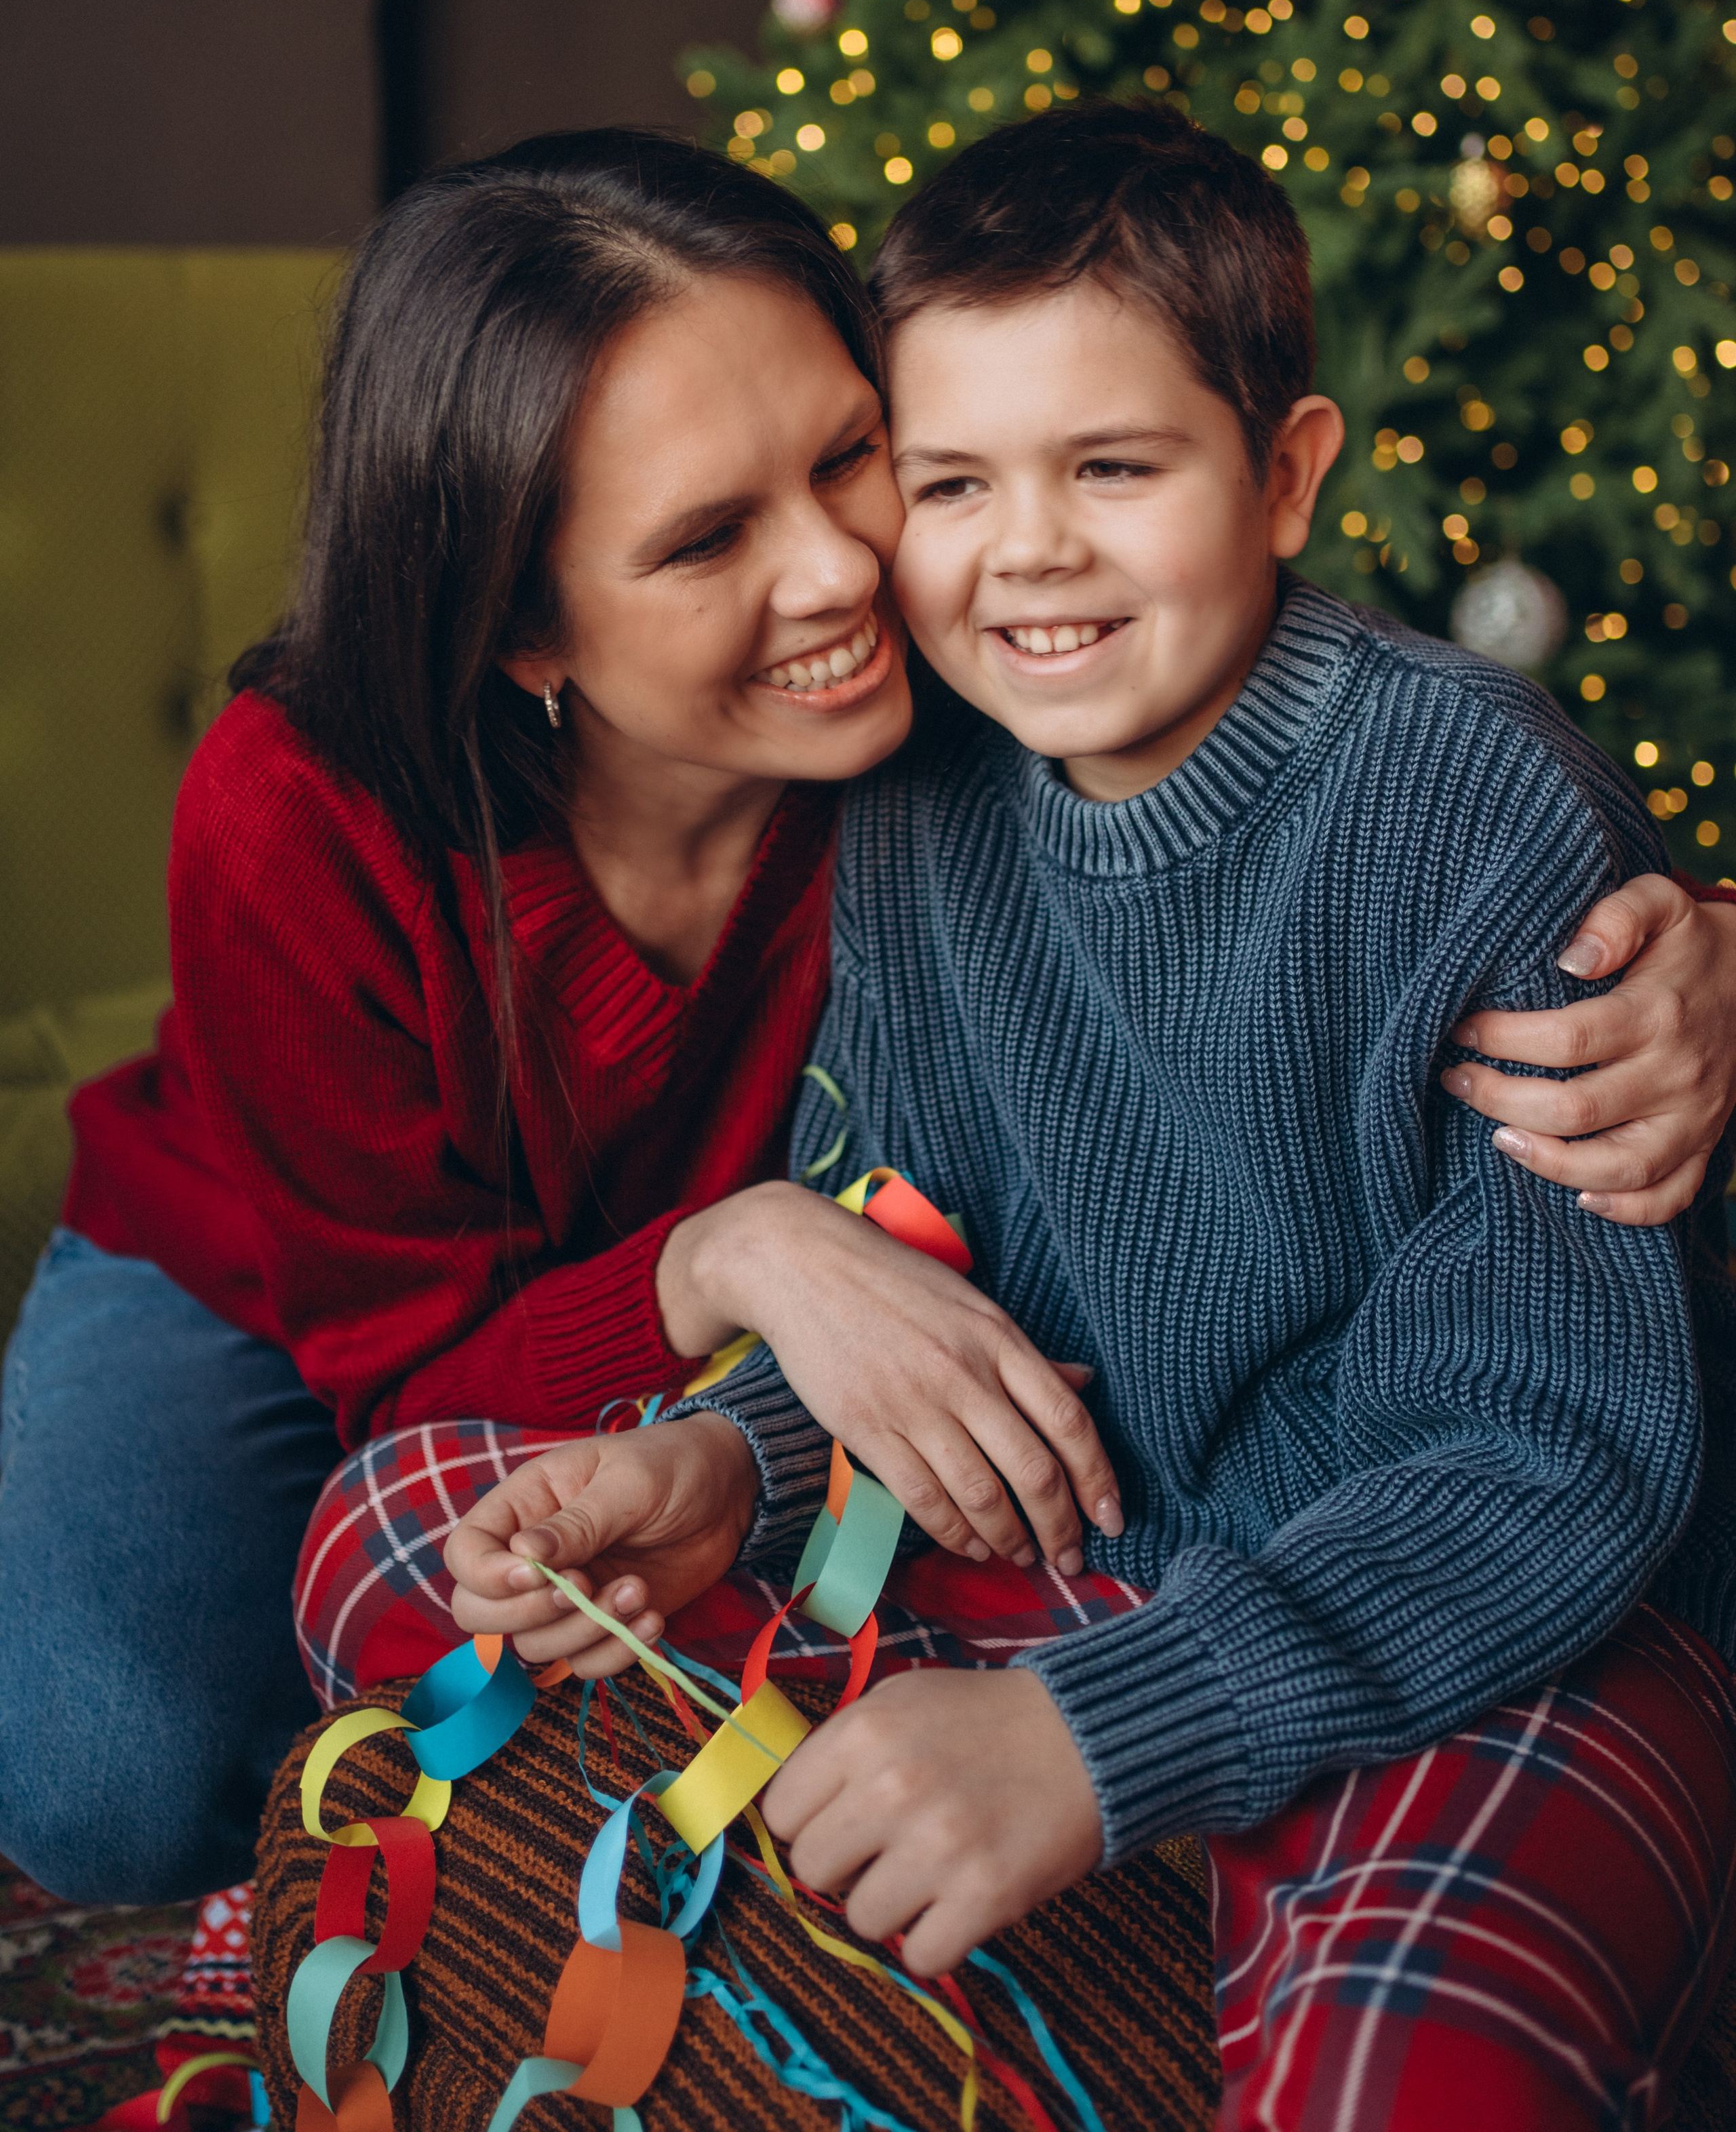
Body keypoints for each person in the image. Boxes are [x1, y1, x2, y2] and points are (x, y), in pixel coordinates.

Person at [1, 130, 1729, 1911]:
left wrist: (1703, 943)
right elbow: (401, 1378)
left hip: (806, 1345)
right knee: (113, 1772)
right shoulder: (298, 811)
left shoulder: (977, 683)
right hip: (298, 1289)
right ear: (527, 625)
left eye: (852, 459)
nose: (841, 572)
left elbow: (1316, 766)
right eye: (707, 538)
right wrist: (736, 1256)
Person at [446, 104, 1736, 2127]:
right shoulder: (923, 792)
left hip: (1487, 1619)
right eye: (953, 481)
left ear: (1284, 477)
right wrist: (729, 1463)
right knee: (409, 1535)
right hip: (1098, 1560)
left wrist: (1098, 1736)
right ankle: (1125, 1940)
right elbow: (925, 1273)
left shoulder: (1471, 813)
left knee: (1412, 2074)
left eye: (1114, 468)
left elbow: (1547, 1457)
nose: (1030, 548)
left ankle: (1236, 1907)